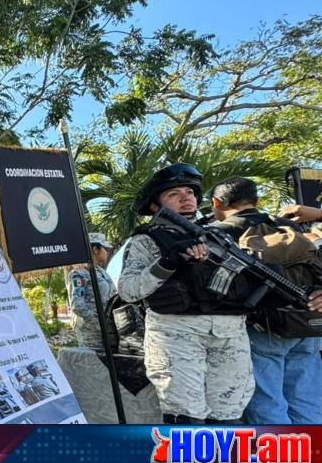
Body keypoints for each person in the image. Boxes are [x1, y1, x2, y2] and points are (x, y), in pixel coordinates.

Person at [118, 163, 256, 424]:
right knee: (187, 417)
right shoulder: (146, 240)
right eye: (173, 194)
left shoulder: (220, 236)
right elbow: (128, 290)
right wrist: (166, 264)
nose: (186, 198)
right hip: (177, 336)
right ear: (154, 206)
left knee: (228, 416)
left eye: (190, 192)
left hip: (230, 336)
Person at [209, 177, 322, 424]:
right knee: (308, 402)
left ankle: (281, 462)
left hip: (265, 328)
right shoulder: (289, 227)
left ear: (216, 203)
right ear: (256, 201)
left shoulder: (220, 233)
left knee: (267, 404)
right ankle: (313, 459)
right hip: (309, 322)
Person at [64, 233, 116, 348]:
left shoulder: (102, 272)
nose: (107, 252)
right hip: (92, 335)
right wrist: (97, 323)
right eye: (105, 249)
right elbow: (77, 305)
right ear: (95, 249)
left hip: (108, 331)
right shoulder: (79, 273)